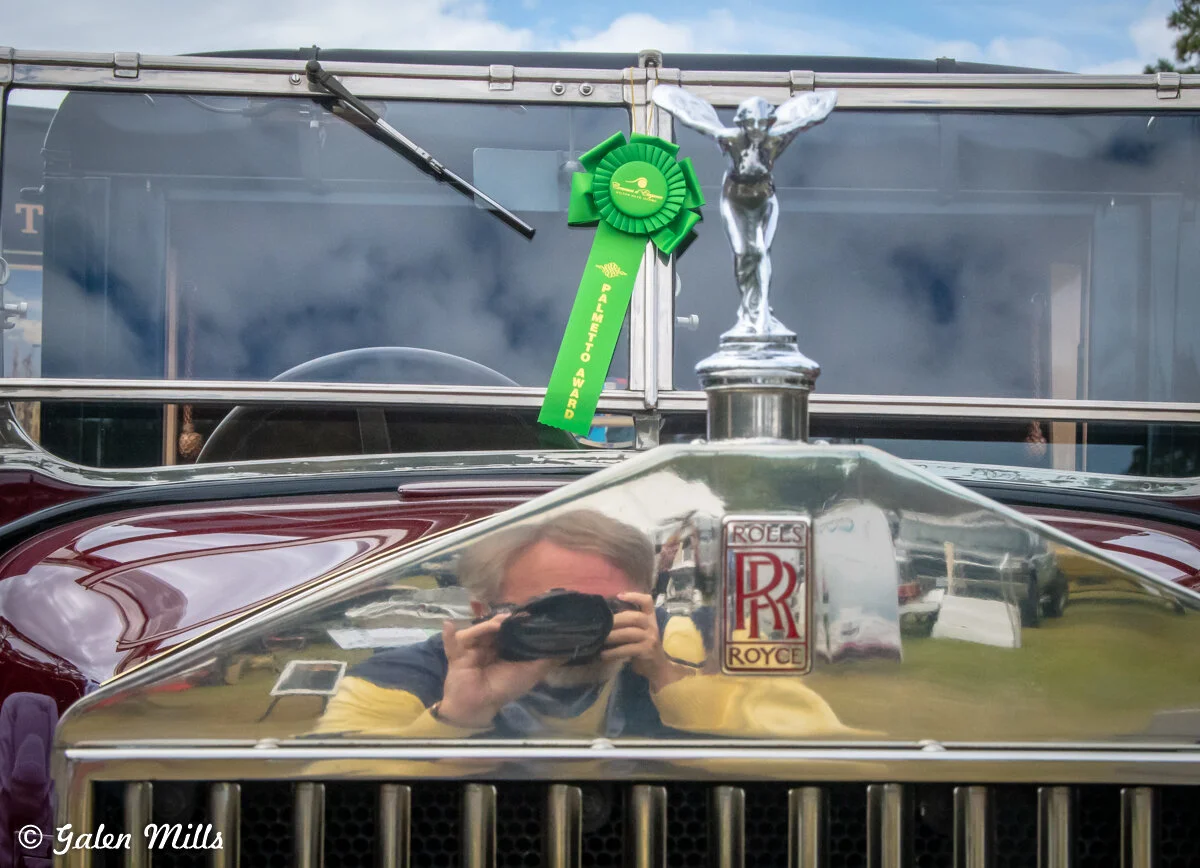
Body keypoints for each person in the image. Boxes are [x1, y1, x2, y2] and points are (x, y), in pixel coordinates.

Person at [314, 508, 854, 739]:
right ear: (484, 613)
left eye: (600, 607)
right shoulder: (404, 676)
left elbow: (824, 745)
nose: (575, 628)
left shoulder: (697, 640)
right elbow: (325, 807)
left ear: (642, 602)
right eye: (547, 608)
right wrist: (459, 715)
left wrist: (668, 677)